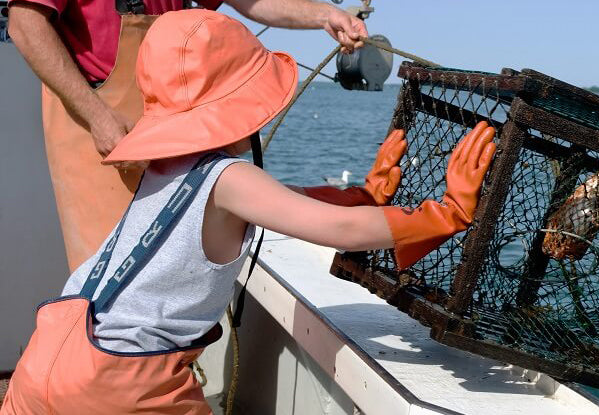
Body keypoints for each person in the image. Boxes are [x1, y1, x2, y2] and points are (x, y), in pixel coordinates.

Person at [0, 10, 495, 414]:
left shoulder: (161, 170)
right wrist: (444, 214)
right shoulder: (226, 179)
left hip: (47, 359)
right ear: (240, 106)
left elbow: (280, 204)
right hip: (123, 383)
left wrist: (364, 195)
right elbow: (335, 229)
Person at [7, 0, 368, 271]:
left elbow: (254, 1)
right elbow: (25, 24)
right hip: (98, 121)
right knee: (108, 273)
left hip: (177, 124)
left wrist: (325, 14)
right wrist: (96, 116)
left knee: (180, 265)